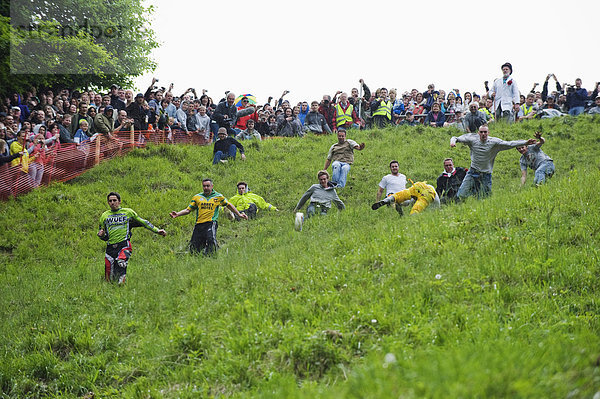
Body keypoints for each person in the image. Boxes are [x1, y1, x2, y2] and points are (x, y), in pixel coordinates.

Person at [450, 124, 536, 199]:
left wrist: (526, 142)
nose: (483, 134)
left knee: (484, 198)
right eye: (481, 132)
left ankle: (476, 196)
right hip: (472, 172)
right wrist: (453, 142)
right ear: (478, 133)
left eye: (485, 132)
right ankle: (472, 194)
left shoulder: (494, 142)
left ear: (488, 133)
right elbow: (456, 138)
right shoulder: (472, 140)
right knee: (461, 194)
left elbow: (509, 144)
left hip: (486, 174)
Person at [98, 192, 166, 284]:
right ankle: (110, 289)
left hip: (124, 244)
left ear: (119, 201)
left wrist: (157, 230)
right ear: (108, 203)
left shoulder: (128, 212)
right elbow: (104, 236)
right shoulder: (104, 216)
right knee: (108, 274)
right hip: (110, 247)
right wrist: (101, 235)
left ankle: (121, 285)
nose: (112, 203)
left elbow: (143, 222)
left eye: (115, 200)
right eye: (110, 201)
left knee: (121, 262)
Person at [169, 178, 247, 255]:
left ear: (212, 186)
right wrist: (177, 214)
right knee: (194, 248)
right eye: (204, 186)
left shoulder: (218, 196)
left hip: (211, 222)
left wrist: (239, 214)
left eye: (207, 186)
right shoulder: (197, 197)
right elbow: (188, 210)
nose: (206, 188)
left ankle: (212, 256)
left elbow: (229, 205)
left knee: (211, 239)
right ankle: (200, 255)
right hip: (199, 224)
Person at [372, 180, 440, 215]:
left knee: (399, 196)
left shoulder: (427, 198)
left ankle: (388, 200)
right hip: (423, 189)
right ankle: (391, 200)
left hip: (424, 192)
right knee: (403, 197)